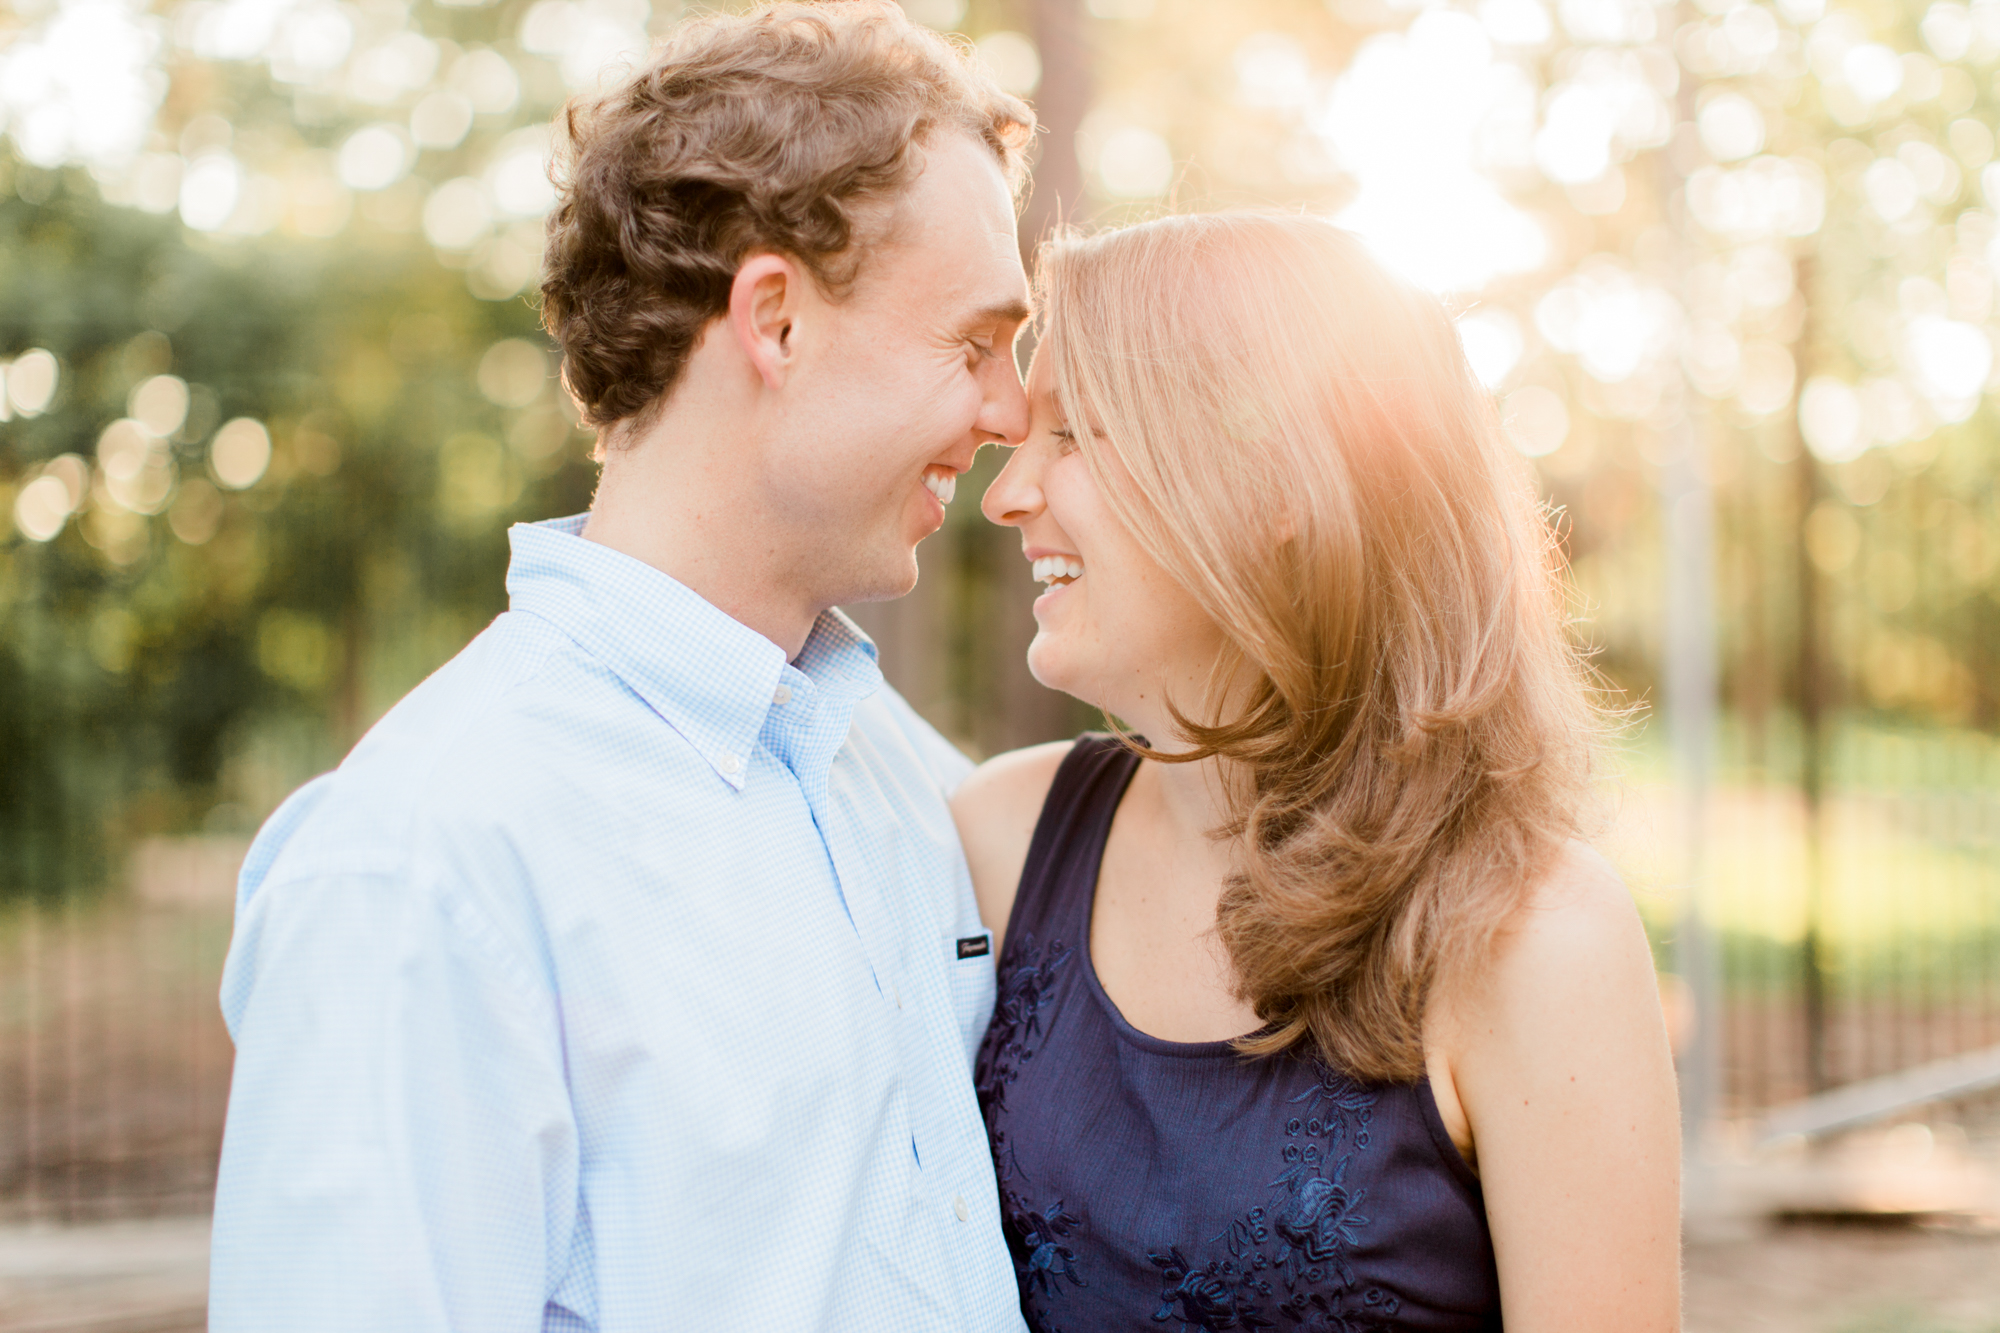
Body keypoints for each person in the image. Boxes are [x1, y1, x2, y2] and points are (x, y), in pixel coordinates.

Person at [209, 5, 1037, 1328]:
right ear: (775, 320)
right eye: (972, 344)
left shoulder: (901, 779)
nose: (1011, 413)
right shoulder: (425, 865)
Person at [954, 214, 1682, 1332]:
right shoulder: (996, 841)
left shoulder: (1533, 935)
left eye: (1072, 437)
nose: (1005, 494)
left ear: (1272, 484)